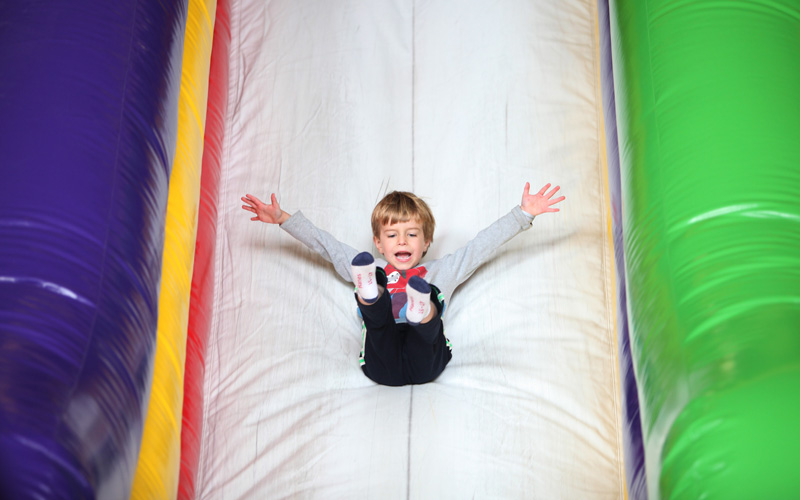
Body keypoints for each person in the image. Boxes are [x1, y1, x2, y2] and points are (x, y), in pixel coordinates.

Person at [241, 183, 564, 386]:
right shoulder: (373, 265)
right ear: (379, 244)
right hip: (382, 366)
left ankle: (420, 309)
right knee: (378, 320)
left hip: (427, 361)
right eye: (392, 235)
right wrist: (284, 219)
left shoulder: (442, 270)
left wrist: (522, 214)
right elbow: (327, 246)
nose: (403, 241)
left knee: (429, 310)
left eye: (412, 234)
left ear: (426, 243)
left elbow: (480, 247)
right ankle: (372, 294)